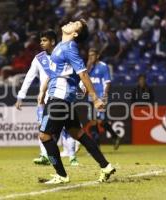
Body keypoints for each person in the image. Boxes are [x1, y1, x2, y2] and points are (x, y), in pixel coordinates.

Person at [38, 19, 116, 184]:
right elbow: (61, 73)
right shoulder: (60, 46)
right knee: (77, 133)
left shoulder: (69, 47)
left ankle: (61, 175)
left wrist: (94, 98)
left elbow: (83, 73)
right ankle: (105, 166)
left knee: (44, 136)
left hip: (60, 98)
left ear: (75, 34)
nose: (71, 22)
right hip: (61, 97)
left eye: (76, 24)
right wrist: (43, 91)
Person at [15, 30, 79, 166]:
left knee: (66, 128)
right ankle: (44, 155)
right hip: (43, 99)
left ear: (52, 41)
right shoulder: (39, 58)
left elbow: (75, 72)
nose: (41, 43)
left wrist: (81, 87)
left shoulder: (63, 53)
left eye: (44, 40)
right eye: (41, 40)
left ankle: (72, 156)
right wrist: (21, 96)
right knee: (42, 128)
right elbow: (29, 77)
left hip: (61, 95)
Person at [82, 48, 120, 149]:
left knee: (100, 121)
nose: (90, 58)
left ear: (97, 56)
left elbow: (107, 82)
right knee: (93, 121)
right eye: (89, 56)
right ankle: (96, 145)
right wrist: (88, 66)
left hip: (101, 97)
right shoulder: (88, 68)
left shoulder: (103, 66)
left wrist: (105, 95)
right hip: (91, 97)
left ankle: (115, 136)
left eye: (92, 55)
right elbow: (85, 80)